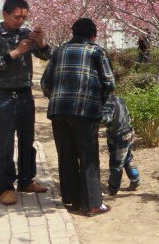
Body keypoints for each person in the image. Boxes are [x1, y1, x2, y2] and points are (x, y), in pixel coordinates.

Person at [0, 0, 51, 205]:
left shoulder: (25, 34)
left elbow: (47, 56)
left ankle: (26, 180)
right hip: (2, 95)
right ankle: (6, 187)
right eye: (16, 17)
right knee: (6, 142)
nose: (20, 21)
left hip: (24, 94)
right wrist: (17, 52)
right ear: (4, 14)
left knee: (28, 140)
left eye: (24, 17)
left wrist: (40, 41)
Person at [41, 18, 114, 216]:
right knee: (88, 157)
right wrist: (99, 104)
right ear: (93, 35)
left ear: (73, 33)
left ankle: (71, 200)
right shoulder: (96, 52)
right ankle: (92, 203)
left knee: (67, 155)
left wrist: (57, 97)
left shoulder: (58, 52)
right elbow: (109, 83)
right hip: (85, 112)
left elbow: (46, 83)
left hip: (58, 112)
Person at [101, 94, 141, 196]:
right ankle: (135, 179)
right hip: (128, 132)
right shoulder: (119, 98)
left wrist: (94, 118)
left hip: (118, 135)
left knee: (116, 163)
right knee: (127, 158)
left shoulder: (108, 102)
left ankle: (112, 189)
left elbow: (106, 119)